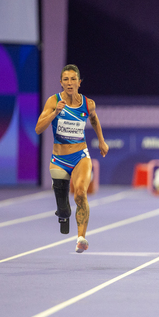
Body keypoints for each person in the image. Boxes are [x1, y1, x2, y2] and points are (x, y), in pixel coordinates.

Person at [35, 64, 109, 253]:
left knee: (80, 193)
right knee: (64, 207)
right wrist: (55, 113)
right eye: (66, 79)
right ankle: (63, 213)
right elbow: (38, 128)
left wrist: (101, 141)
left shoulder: (88, 103)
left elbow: (94, 119)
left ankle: (81, 238)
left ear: (79, 82)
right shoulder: (53, 101)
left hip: (80, 155)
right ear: (61, 83)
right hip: (59, 159)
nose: (69, 83)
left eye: (73, 79)